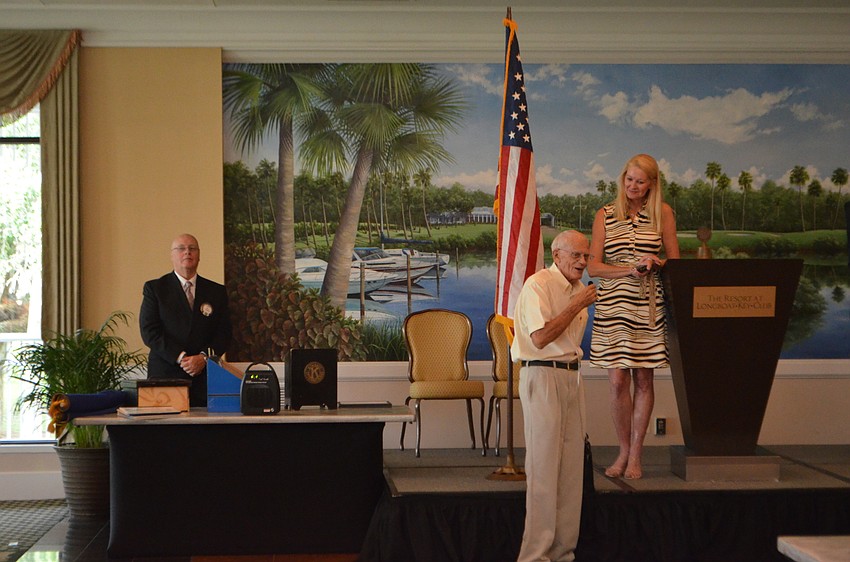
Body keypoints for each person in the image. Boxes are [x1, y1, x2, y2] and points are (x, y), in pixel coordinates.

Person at [588, 153, 680, 480]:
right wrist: (628, 268)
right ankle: (622, 450)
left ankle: (637, 456)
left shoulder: (663, 214)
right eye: (629, 179)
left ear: (652, 183)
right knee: (616, 381)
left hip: (647, 304)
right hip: (613, 305)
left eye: (640, 181)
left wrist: (656, 260)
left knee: (643, 379)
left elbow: (675, 262)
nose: (633, 186)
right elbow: (593, 266)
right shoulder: (605, 214)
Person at [511, 230, 597, 562]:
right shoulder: (538, 285)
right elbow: (542, 336)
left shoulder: (579, 290)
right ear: (556, 254)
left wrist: (578, 299)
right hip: (542, 375)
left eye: (586, 256)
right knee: (544, 470)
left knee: (571, 473)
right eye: (576, 255)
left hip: (572, 378)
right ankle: (534, 557)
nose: (582, 262)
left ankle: (563, 553)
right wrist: (577, 303)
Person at [139, 233, 232, 407]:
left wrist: (203, 358)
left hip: (204, 378)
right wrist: (181, 358)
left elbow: (224, 334)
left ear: (199, 255)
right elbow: (149, 331)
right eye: (181, 249)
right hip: (166, 376)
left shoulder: (216, 291)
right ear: (172, 255)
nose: (187, 252)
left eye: (192, 249)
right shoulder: (156, 289)